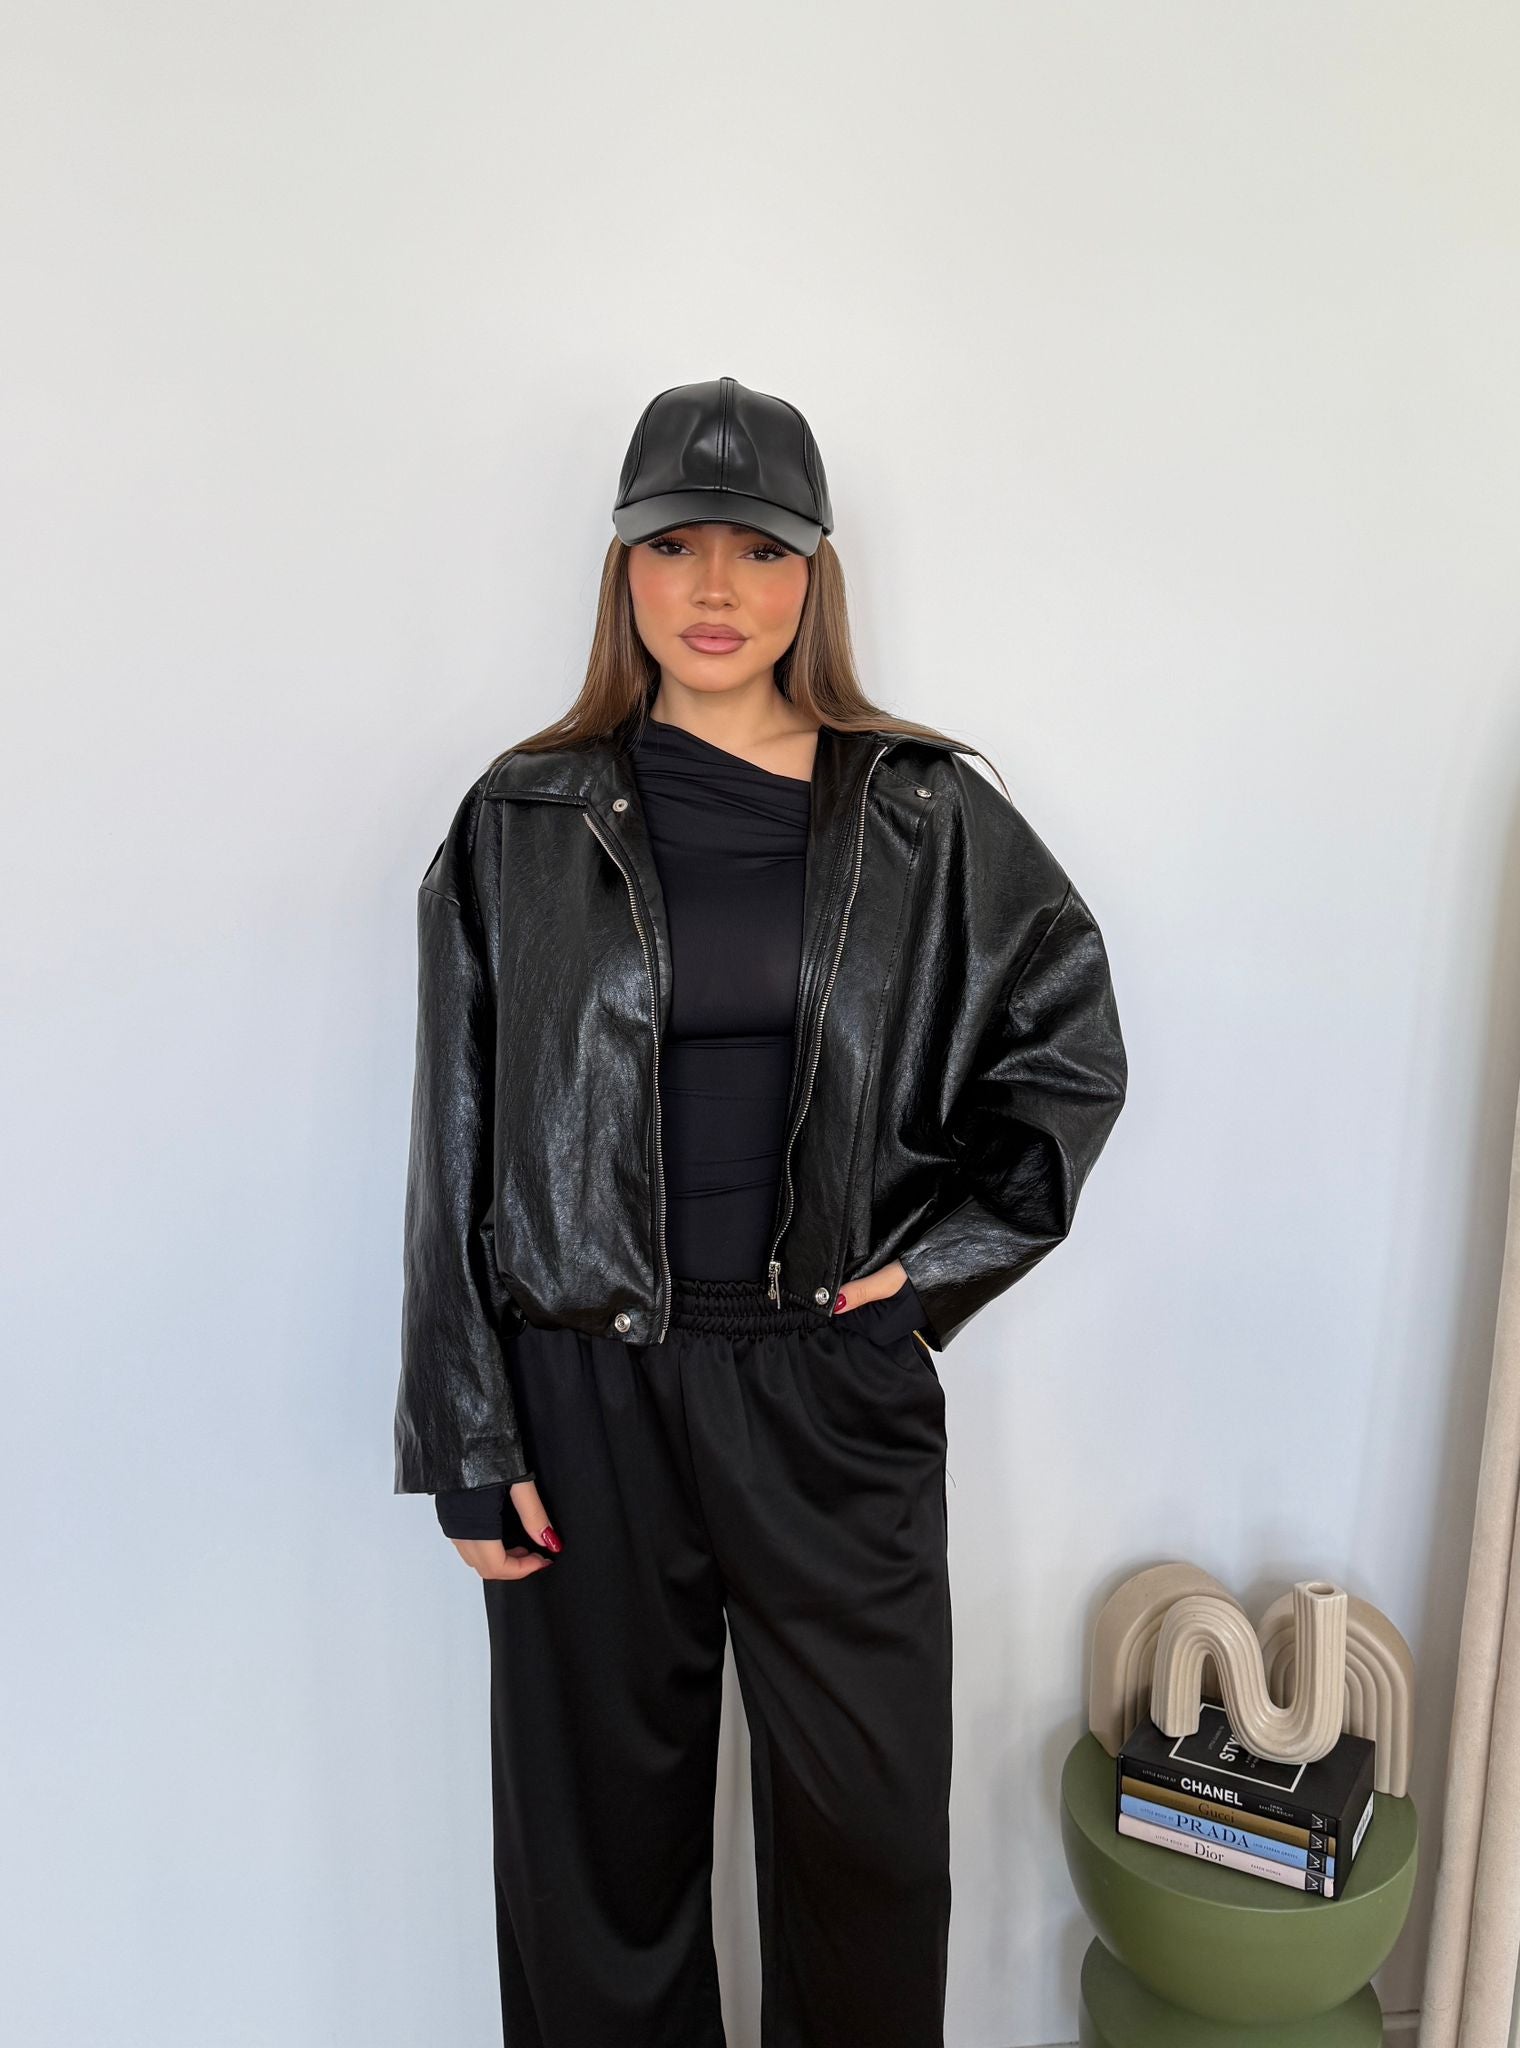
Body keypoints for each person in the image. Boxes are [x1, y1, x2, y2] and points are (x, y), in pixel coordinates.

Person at [393, 375, 1129, 2046]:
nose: (714, 587)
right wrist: (465, 1432)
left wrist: (932, 1271)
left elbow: (1067, 1055)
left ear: (815, 572)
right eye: (675, 546)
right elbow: (455, 1138)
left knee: (871, 1857)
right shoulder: (520, 818)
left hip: (831, 1387)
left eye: (759, 550)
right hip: (585, 1393)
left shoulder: (927, 812)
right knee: (598, 1879)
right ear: (624, 566)